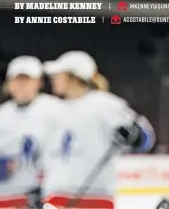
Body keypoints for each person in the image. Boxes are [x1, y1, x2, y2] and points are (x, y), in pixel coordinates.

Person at [42, 50, 155, 209]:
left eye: (58, 74)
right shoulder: (52, 109)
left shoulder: (105, 105)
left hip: (95, 196)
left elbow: (145, 139)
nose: (53, 79)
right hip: (55, 195)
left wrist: (136, 135)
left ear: (74, 77)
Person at [0, 56, 63, 209]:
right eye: (18, 79)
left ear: (39, 82)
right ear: (9, 83)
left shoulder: (57, 110)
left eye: (27, 80)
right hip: (6, 195)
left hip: (47, 194)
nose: (22, 85)